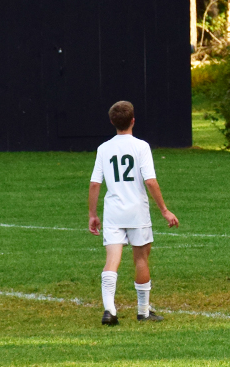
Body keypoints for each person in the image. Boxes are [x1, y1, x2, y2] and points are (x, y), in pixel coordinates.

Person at [88, 101, 180, 326]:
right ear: (133, 121)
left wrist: (93, 214)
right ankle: (143, 311)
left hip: (113, 212)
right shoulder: (141, 147)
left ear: (112, 122)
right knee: (141, 258)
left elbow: (94, 184)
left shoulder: (104, 148)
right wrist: (164, 210)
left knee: (112, 259)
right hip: (137, 211)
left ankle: (109, 310)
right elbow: (150, 181)